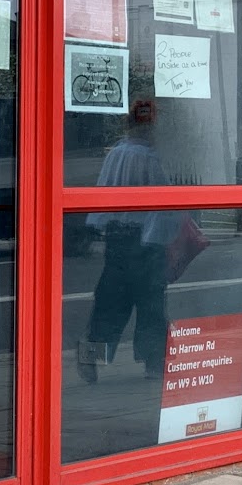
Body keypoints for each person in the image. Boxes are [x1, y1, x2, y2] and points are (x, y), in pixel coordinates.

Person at [80, 102, 174, 382]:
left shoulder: (117, 154)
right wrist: (158, 239)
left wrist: (98, 226)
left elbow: (104, 191)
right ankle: (153, 362)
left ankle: (91, 359)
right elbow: (162, 203)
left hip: (117, 236)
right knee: (152, 305)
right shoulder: (150, 158)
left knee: (109, 303)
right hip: (145, 238)